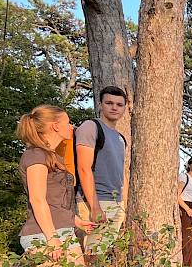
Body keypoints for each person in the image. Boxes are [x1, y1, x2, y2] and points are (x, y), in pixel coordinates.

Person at [16, 105, 94, 265]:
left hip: (62, 230)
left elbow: (55, 200)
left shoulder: (53, 157)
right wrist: (52, 239)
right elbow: (37, 200)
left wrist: (75, 220)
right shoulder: (35, 155)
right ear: (56, 126)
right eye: (68, 122)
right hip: (44, 235)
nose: (71, 127)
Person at [75, 86, 128, 258]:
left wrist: (123, 204)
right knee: (91, 255)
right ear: (100, 104)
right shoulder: (91, 127)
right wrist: (95, 206)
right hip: (94, 201)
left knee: (102, 254)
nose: (114, 107)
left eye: (119, 104)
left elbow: (121, 173)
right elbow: (83, 168)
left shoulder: (121, 138)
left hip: (115, 202)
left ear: (125, 108)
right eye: (109, 103)